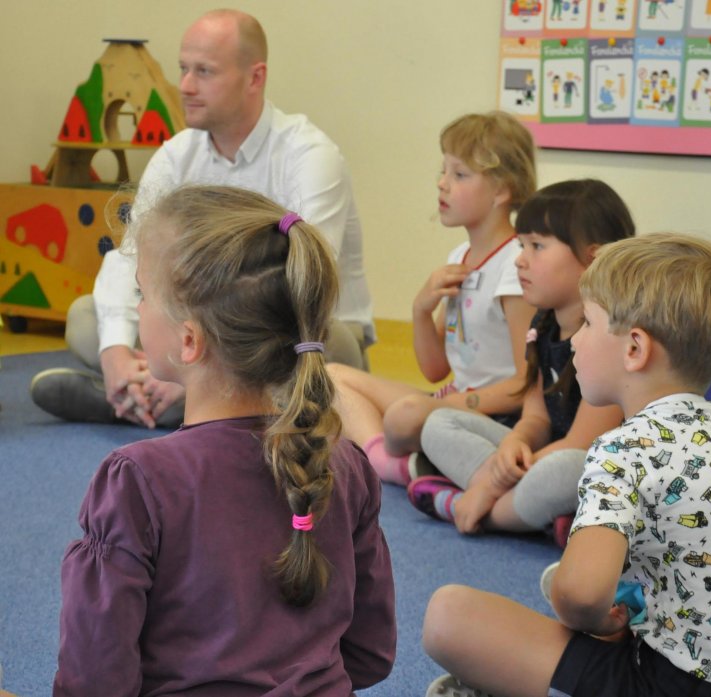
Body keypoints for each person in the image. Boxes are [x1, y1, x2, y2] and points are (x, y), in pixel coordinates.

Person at [422, 232, 711, 697]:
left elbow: (578, 595)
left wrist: (598, 619)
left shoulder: (624, 449)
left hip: (672, 686)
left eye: (588, 324)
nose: (573, 341)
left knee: (449, 614)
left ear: (634, 348)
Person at [53, 185, 395, 696]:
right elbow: (368, 655)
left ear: (189, 341)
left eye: (143, 294)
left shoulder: (137, 480)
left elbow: (94, 682)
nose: (139, 307)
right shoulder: (342, 463)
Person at [31, 9, 374, 429]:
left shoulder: (310, 156)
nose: (186, 87)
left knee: (331, 347)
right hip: (195, 335)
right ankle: (163, 396)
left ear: (255, 77)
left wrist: (196, 374)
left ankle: (138, 404)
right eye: (183, 70)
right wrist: (115, 352)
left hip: (290, 331)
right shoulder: (177, 155)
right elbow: (131, 257)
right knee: (88, 320)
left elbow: (301, 285)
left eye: (204, 72)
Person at [408, 179, 631, 545]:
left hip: (592, 468)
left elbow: (582, 444)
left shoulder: (612, 337)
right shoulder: (542, 325)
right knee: (439, 423)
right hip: (542, 460)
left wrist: (492, 481)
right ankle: (539, 517)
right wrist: (517, 441)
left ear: (593, 258)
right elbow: (537, 417)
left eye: (537, 246)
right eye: (521, 244)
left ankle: (483, 510)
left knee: (564, 471)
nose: (520, 259)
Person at [328, 111, 537, 485]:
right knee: (332, 378)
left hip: (495, 416)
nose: (442, 184)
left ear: (502, 190)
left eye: (459, 175)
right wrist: (421, 310)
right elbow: (435, 370)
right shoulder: (460, 257)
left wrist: (458, 403)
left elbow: (527, 382)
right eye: (443, 172)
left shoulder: (516, 265)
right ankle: (387, 463)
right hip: (453, 400)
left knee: (406, 415)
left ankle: (399, 459)